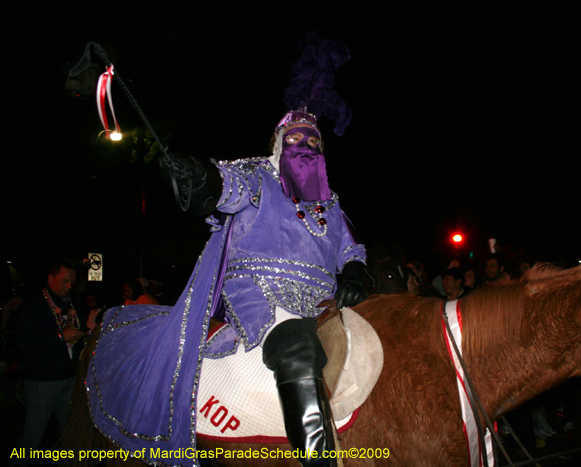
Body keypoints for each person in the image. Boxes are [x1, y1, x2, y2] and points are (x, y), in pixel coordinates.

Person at [87, 34, 366, 467]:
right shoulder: (258, 178)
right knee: (297, 348)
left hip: (325, 304)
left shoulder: (330, 203)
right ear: (277, 145)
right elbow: (223, 187)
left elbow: (351, 249)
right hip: (263, 299)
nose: (305, 146)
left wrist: (355, 272)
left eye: (313, 141)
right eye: (295, 139)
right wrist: (199, 176)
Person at [12, 259, 86, 466]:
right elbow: (24, 343)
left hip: (69, 380)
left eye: (71, 282)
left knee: (69, 436)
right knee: (31, 440)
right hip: (42, 383)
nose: (69, 286)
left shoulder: (73, 305)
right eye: (64, 281)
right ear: (50, 279)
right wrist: (60, 337)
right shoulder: (34, 306)